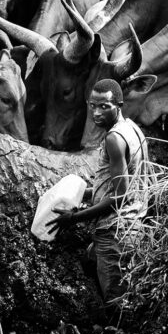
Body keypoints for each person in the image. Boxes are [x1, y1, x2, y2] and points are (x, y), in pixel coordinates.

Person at [47, 78, 149, 309]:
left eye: (104, 106)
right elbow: (124, 184)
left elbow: (120, 196)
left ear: (119, 105)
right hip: (133, 225)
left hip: (114, 230)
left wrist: (73, 218)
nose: (96, 112)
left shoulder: (114, 139)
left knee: (117, 301)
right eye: (93, 105)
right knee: (89, 260)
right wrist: (80, 193)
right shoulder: (133, 129)